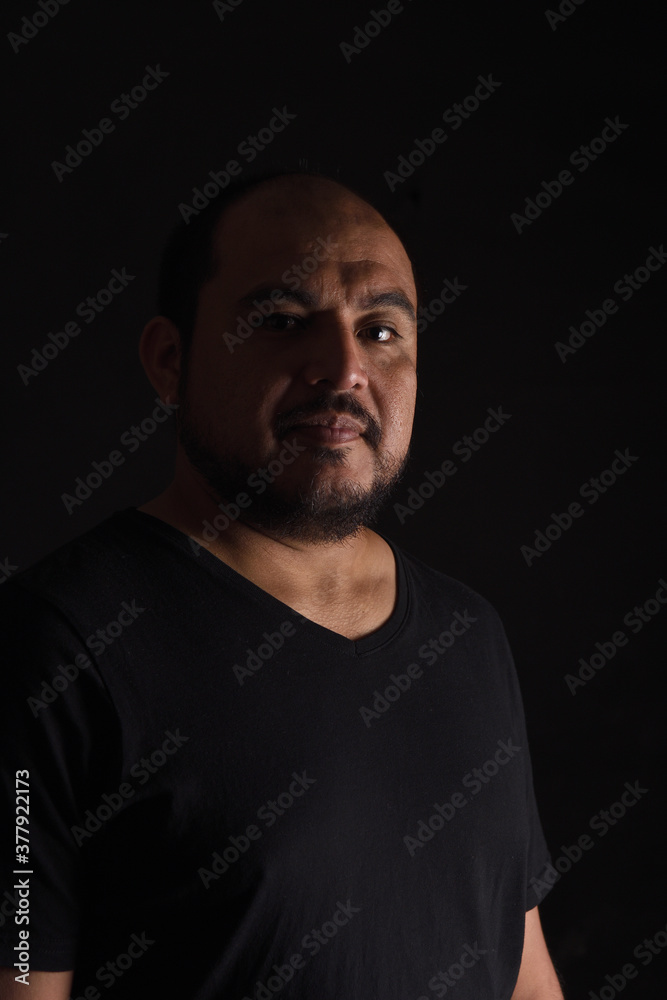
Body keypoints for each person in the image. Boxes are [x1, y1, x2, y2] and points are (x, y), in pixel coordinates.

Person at [0, 170, 565, 998]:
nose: (342, 370)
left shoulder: (467, 636)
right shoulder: (56, 645)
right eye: (281, 322)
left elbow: (524, 976)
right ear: (170, 359)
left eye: (380, 331)